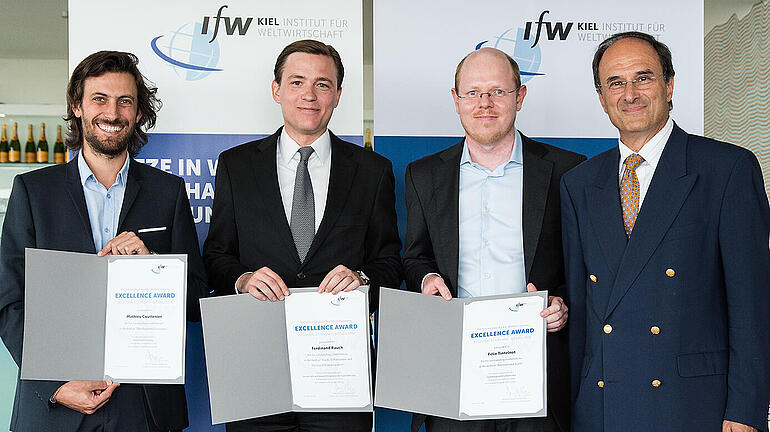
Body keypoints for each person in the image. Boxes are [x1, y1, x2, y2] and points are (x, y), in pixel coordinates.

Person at [561, 31, 770, 432]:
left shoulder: (726, 170)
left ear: (669, 84)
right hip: (601, 406)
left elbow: (753, 304)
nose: (630, 93)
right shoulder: (579, 184)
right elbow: (584, 310)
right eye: (615, 83)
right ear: (602, 98)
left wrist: (746, 411)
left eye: (643, 77)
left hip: (693, 407)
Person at [0, 51, 208, 432]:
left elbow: (197, 299)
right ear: (77, 107)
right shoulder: (33, 191)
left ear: (138, 112)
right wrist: (56, 385)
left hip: (145, 407)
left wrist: (154, 265)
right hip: (56, 406)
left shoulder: (169, 193)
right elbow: (10, 300)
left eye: (125, 101)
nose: (112, 113)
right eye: (100, 99)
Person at [202, 39, 401, 432]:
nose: (309, 95)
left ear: (338, 95)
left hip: (339, 376)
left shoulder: (373, 171)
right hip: (256, 372)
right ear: (276, 90)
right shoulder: (236, 166)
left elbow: (390, 263)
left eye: (323, 84)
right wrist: (241, 279)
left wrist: (362, 279)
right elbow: (216, 255)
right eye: (296, 82)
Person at [402, 47, 585, 432]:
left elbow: (585, 264)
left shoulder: (567, 171)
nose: (485, 103)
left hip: (537, 377)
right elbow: (415, 256)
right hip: (455, 372)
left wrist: (563, 303)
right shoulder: (423, 175)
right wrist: (425, 279)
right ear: (456, 100)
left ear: (520, 97)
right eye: (473, 92)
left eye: (498, 92)